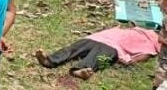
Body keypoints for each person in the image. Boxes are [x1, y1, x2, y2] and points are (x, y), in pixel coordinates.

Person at [36, 8, 167, 79]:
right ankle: (50, 60)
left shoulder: (155, 46)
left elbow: (144, 56)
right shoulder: (144, 30)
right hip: (103, 37)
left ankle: (80, 70)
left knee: (99, 55)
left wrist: (131, 60)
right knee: (76, 47)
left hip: (115, 46)